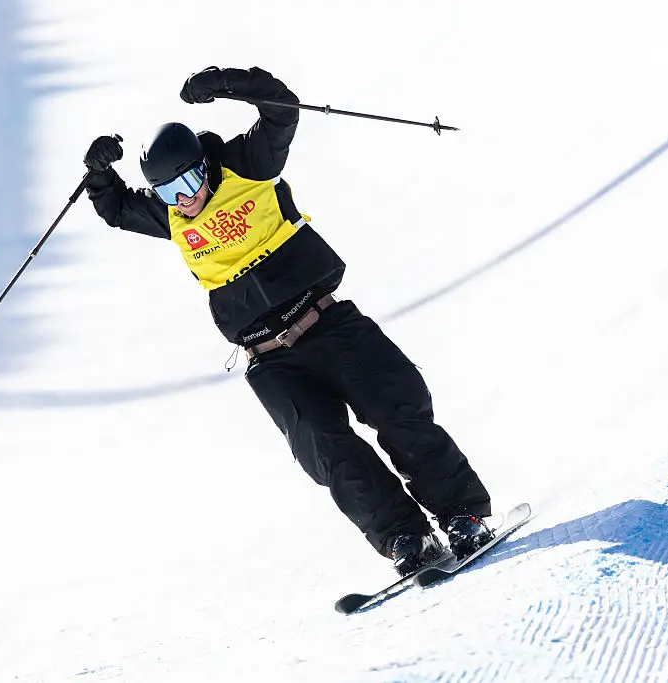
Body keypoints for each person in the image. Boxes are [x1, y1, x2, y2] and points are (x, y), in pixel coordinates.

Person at [81, 66, 494, 576]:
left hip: (325, 322)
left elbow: (282, 108)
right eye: (169, 193)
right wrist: (99, 172)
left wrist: (227, 83)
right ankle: (404, 538)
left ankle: (462, 514)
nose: (184, 199)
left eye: (188, 181)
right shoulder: (172, 216)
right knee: (328, 453)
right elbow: (117, 208)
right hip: (270, 360)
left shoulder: (246, 165)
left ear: (203, 166)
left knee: (398, 410)